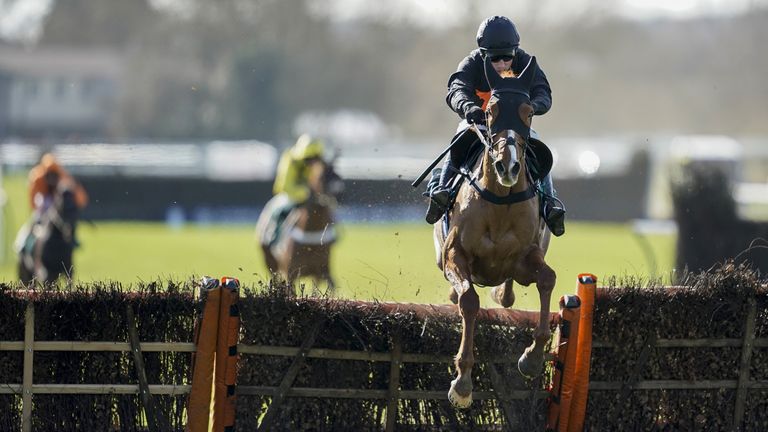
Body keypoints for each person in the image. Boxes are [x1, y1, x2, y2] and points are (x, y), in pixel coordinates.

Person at [425, 15, 566, 236]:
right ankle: (442, 191)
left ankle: (550, 202)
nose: (501, 64)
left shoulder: (525, 62)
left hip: (513, 127)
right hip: (480, 123)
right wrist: (469, 107)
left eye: (506, 58)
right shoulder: (471, 63)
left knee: (536, 141)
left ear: (515, 52)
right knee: (461, 136)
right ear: (483, 55)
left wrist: (534, 106)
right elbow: (456, 90)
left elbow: (543, 92)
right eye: (494, 59)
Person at [259, 134, 326, 246]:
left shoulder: (319, 165)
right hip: (289, 196)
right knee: (277, 211)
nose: (312, 163)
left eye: (316, 158)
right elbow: (285, 186)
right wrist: (306, 193)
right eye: (309, 159)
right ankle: (274, 238)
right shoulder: (290, 159)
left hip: (311, 197)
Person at [15, 153, 89, 253]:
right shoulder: (39, 183)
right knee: (32, 226)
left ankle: (72, 241)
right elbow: (34, 203)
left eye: (54, 176)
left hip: (58, 217)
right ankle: (25, 245)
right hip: (42, 216)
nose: (52, 179)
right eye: (49, 176)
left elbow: (80, 199)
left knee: (69, 226)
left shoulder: (63, 183)